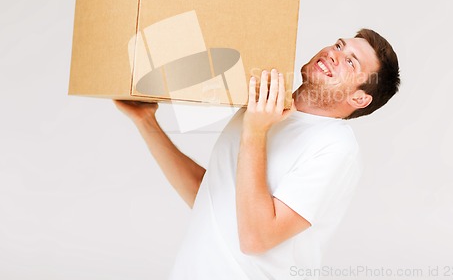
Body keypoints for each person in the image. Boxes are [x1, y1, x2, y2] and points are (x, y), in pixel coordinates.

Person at [114, 28, 400, 280]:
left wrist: (254, 131)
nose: (335, 54)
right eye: (339, 45)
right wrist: (146, 122)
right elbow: (209, 194)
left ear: (359, 99)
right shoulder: (265, 107)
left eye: (351, 62)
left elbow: (256, 238)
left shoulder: (336, 147)